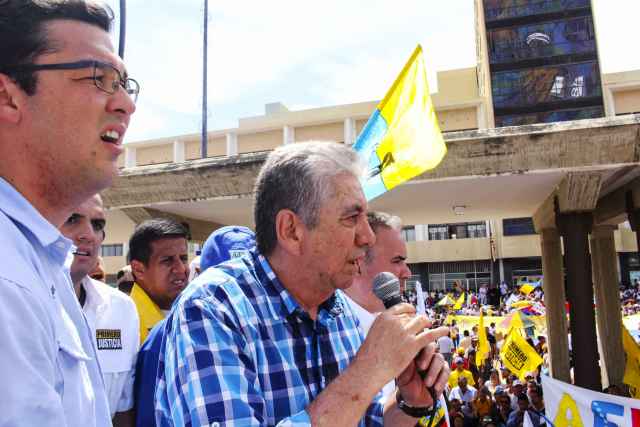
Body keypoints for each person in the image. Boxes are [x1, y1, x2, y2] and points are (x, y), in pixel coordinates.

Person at [155, 142, 450, 426]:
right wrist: (369, 369)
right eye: (351, 218)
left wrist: (409, 403)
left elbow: (357, 419)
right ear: (291, 230)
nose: (368, 237)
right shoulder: (213, 308)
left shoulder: (338, 310)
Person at [0, 1, 137, 425]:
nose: (125, 105)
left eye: (125, 84)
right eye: (99, 78)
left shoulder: (40, 262)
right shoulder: (9, 279)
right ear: (8, 96)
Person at [134, 225, 256, 427]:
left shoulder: (289, 327)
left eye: (246, 278)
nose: (238, 293)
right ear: (200, 275)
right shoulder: (165, 335)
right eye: (227, 281)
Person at [60, 194, 139, 426]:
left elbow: (124, 409)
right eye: (72, 219)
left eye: (97, 225)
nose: (88, 235)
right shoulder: (15, 303)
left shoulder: (121, 309)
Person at [127, 218, 190, 344]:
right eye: (167, 260)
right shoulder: (124, 320)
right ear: (138, 269)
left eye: (183, 258)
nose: (181, 269)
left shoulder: (196, 312)